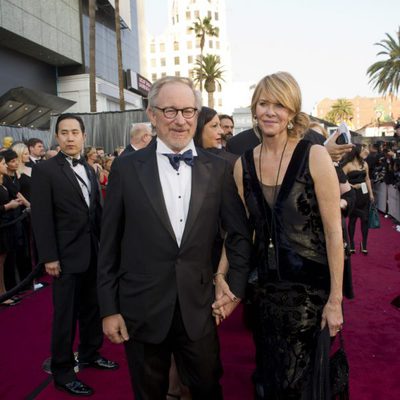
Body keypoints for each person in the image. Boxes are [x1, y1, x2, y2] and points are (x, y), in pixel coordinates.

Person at [97, 76, 251, 400]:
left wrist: (234, 288)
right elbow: (109, 244)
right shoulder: (125, 168)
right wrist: (109, 309)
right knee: (149, 393)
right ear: (152, 115)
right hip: (142, 308)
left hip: (200, 308)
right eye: (170, 111)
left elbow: (238, 234)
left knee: (208, 389)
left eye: (188, 111)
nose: (180, 120)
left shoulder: (219, 169)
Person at [214, 72, 344, 398]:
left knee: (299, 382)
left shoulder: (313, 155)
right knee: (269, 377)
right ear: (254, 109)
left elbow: (332, 233)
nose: (270, 111)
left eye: (279, 105)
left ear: (291, 112)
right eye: (263, 103)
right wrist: (221, 275)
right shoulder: (242, 165)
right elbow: (239, 233)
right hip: (264, 294)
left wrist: (335, 300)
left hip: (310, 293)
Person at [31, 114, 118, 397]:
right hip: (65, 258)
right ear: (56, 137)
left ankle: (91, 353)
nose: (70, 138)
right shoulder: (45, 171)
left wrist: (108, 247)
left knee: (92, 309)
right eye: (64, 133)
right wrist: (49, 257)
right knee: (65, 317)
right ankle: (63, 372)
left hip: (93, 254)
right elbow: (41, 218)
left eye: (75, 132)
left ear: (83, 135)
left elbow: (96, 212)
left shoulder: (90, 169)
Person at [341, 144, 374, 254]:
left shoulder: (365, 164)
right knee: (353, 220)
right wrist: (352, 186)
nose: (365, 151)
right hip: (353, 195)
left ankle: (364, 244)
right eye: (362, 149)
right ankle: (351, 244)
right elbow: (341, 181)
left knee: (365, 220)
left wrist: (371, 194)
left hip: (364, 195)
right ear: (356, 152)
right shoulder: (347, 165)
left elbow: (367, 179)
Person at [0, 153, 23, 306]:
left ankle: (4, 293)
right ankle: (2, 295)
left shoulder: (4, 180)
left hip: (7, 225)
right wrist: (9, 206)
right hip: (2, 226)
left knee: (3, 262)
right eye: (3, 162)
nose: (5, 165)